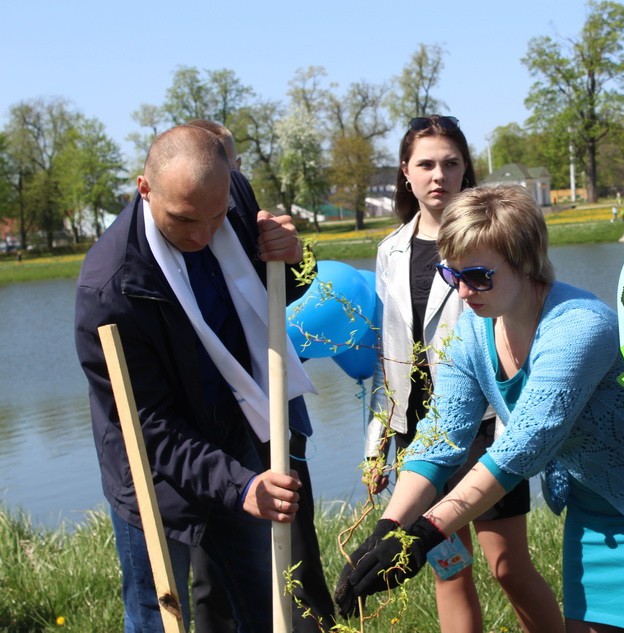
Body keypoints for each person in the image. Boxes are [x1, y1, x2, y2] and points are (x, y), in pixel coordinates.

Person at [337, 184, 624, 633]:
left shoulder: (581, 326)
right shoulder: (473, 329)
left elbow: (524, 446)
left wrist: (426, 533)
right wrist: (391, 527)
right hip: (592, 507)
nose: (463, 292)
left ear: (525, 261)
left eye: (479, 276)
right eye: (452, 276)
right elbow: (441, 433)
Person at [75, 125, 311, 633]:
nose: (204, 236)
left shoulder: (232, 197)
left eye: (216, 217)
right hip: (151, 471)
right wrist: (239, 485)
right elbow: (148, 425)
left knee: (268, 604)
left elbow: (274, 296)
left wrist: (293, 259)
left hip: (232, 430)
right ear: (144, 189)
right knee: (159, 614)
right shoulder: (110, 290)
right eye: (184, 221)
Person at [356, 115, 561, 633]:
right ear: (405, 172)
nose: (438, 175)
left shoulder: (494, 241)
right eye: (425, 164)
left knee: (507, 565)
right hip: (419, 430)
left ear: (466, 168)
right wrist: (380, 435)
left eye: (450, 163)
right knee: (448, 568)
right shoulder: (390, 250)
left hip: (485, 422)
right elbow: (391, 349)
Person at [183, 120, 336, 633]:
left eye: (234, 163)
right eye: (224, 163)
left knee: (296, 550)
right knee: (214, 569)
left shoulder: (248, 209)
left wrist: (293, 254)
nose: (234, 175)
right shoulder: (175, 228)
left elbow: (295, 285)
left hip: (274, 414)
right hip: (206, 426)